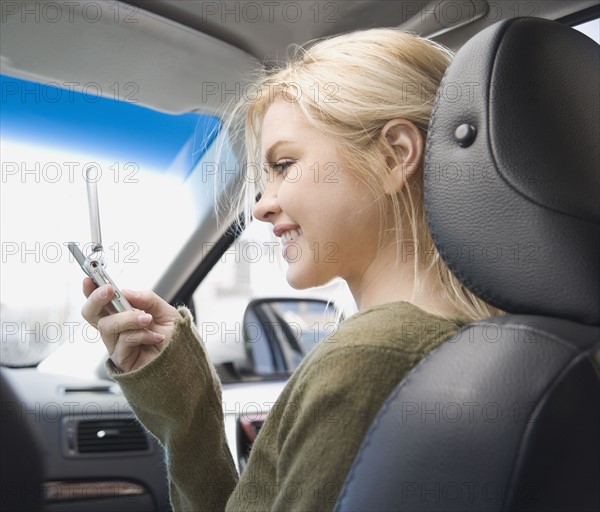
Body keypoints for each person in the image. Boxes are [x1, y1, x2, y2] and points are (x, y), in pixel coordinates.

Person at [81, 28, 502, 511]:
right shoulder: (502, 337)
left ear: (395, 155)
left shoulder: (372, 356)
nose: (261, 206)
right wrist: (181, 396)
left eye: (284, 164)